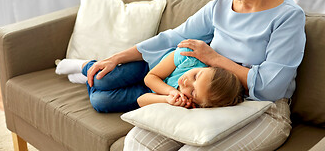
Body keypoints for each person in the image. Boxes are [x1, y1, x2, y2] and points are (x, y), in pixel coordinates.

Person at [86, 0, 306, 150]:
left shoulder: (288, 17)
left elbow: (270, 88)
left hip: (265, 110)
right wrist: (117, 58)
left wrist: (215, 59)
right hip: (208, 102)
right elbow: (175, 37)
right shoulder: (221, 4)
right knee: (137, 142)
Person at [56, 47, 244, 112]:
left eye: (193, 92)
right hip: (148, 69)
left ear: (198, 103)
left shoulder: (186, 103)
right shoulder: (189, 58)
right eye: (196, 76)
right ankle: (85, 66)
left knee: (100, 102)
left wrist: (167, 100)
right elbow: (150, 78)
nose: (187, 83)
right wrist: (170, 90)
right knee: (101, 80)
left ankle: (85, 79)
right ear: (209, 67)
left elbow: (142, 100)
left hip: (150, 92)